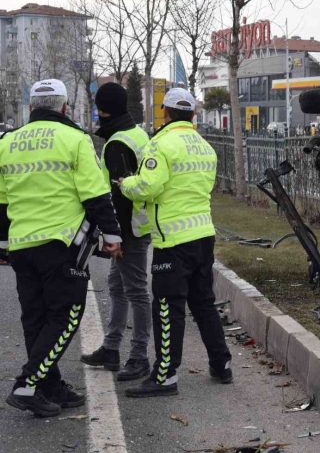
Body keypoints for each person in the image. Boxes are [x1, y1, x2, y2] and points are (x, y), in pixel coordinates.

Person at [0, 79, 122, 417]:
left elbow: (0, 201)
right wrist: (112, 235)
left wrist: (2, 244)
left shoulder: (7, 142)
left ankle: (50, 386)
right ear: (65, 107)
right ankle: (27, 385)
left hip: (22, 244)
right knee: (67, 316)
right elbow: (95, 194)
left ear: (31, 108)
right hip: (61, 242)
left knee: (36, 319)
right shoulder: (75, 139)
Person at [120, 88, 232, 398]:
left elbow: (147, 187)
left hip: (172, 240)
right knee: (203, 302)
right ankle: (221, 364)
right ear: (193, 115)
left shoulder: (161, 144)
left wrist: (125, 183)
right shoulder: (205, 146)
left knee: (168, 307)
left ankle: (166, 375)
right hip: (202, 234)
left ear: (165, 112)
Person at [80, 83, 152, 381]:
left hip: (130, 228)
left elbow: (119, 194)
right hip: (140, 222)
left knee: (136, 292)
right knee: (117, 287)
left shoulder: (117, 143)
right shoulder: (137, 133)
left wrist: (115, 237)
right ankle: (111, 348)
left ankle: (139, 357)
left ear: (102, 108)